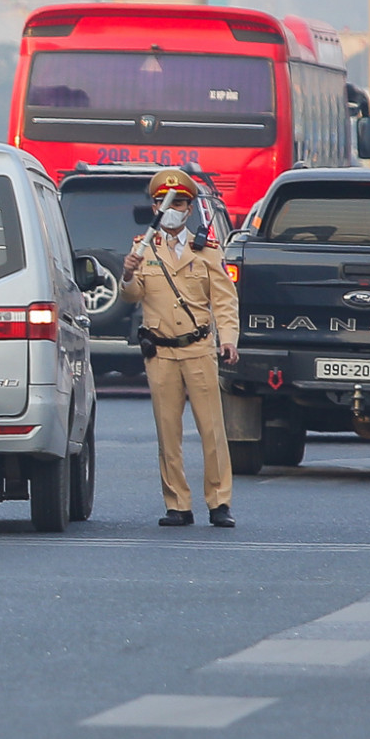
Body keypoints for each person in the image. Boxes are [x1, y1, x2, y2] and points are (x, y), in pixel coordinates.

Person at [122, 167, 241, 529]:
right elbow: (133, 294)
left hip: (199, 347)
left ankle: (219, 501)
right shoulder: (143, 248)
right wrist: (127, 272)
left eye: (178, 203)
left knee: (211, 429)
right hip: (160, 352)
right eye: (162, 202)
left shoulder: (205, 249)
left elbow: (224, 299)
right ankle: (177, 504)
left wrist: (229, 340)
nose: (170, 208)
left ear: (188, 209)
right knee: (167, 430)